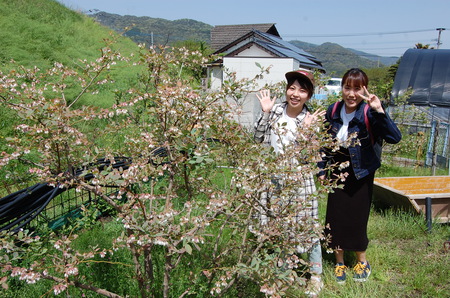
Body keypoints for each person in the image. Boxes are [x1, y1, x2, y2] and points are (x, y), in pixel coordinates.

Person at [318, 68, 402, 284]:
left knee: (357, 219)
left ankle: (362, 262)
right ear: (342, 88)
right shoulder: (333, 110)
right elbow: (324, 144)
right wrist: (321, 169)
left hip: (361, 173)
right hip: (337, 173)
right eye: (348, 87)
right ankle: (339, 263)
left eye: (357, 88)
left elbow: (394, 137)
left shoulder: (369, 112)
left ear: (364, 89)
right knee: (334, 219)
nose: (352, 94)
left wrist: (380, 110)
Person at [254, 69, 325, 296]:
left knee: (307, 227)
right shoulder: (274, 111)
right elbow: (256, 139)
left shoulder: (310, 120)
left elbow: (310, 159)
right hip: (274, 179)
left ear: (309, 95)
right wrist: (264, 113)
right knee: (279, 227)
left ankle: (315, 276)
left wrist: (305, 133)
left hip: (300, 181)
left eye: (302, 90)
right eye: (292, 88)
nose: (295, 94)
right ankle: (284, 273)